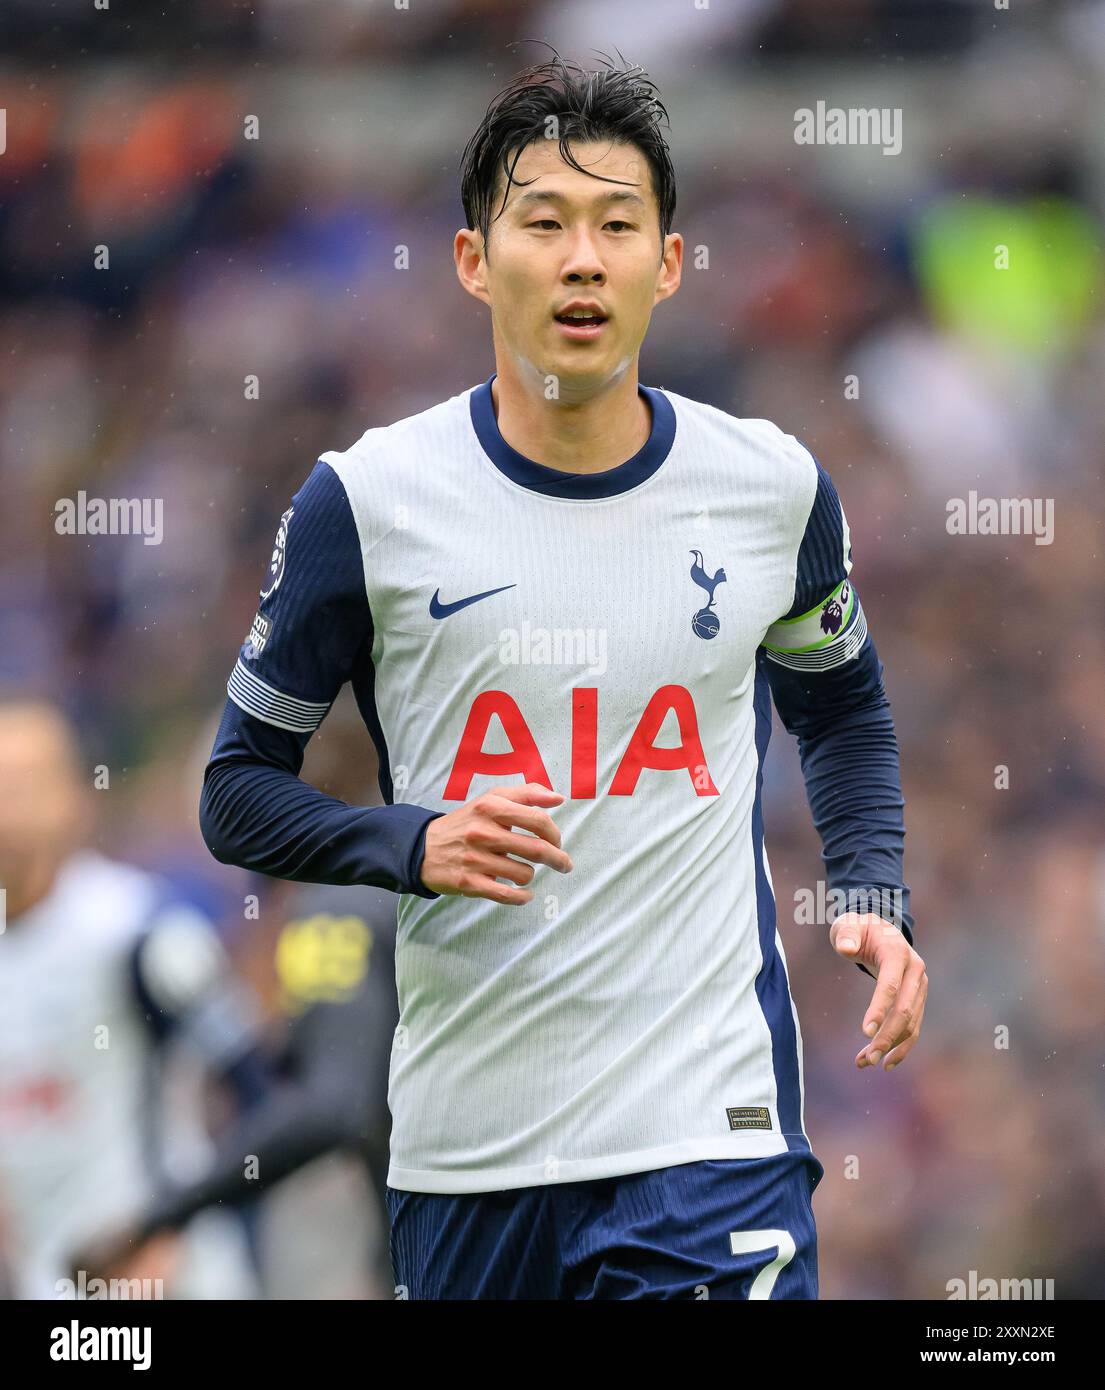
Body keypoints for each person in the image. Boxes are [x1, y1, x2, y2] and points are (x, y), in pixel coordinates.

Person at [199, 49, 927, 1300]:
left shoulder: (770, 490)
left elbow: (842, 701)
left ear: (670, 261)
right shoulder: (365, 503)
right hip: (467, 1161)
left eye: (616, 224)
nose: (582, 257)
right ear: (476, 261)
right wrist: (407, 844)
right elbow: (234, 793)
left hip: (707, 1141)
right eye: (543, 222)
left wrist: (869, 881)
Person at [0, 696, 263, 1299]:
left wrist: (168, 1227)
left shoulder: (139, 933)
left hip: (174, 1288)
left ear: (76, 800)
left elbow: (265, 1099)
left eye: (25, 786)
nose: (6, 811)